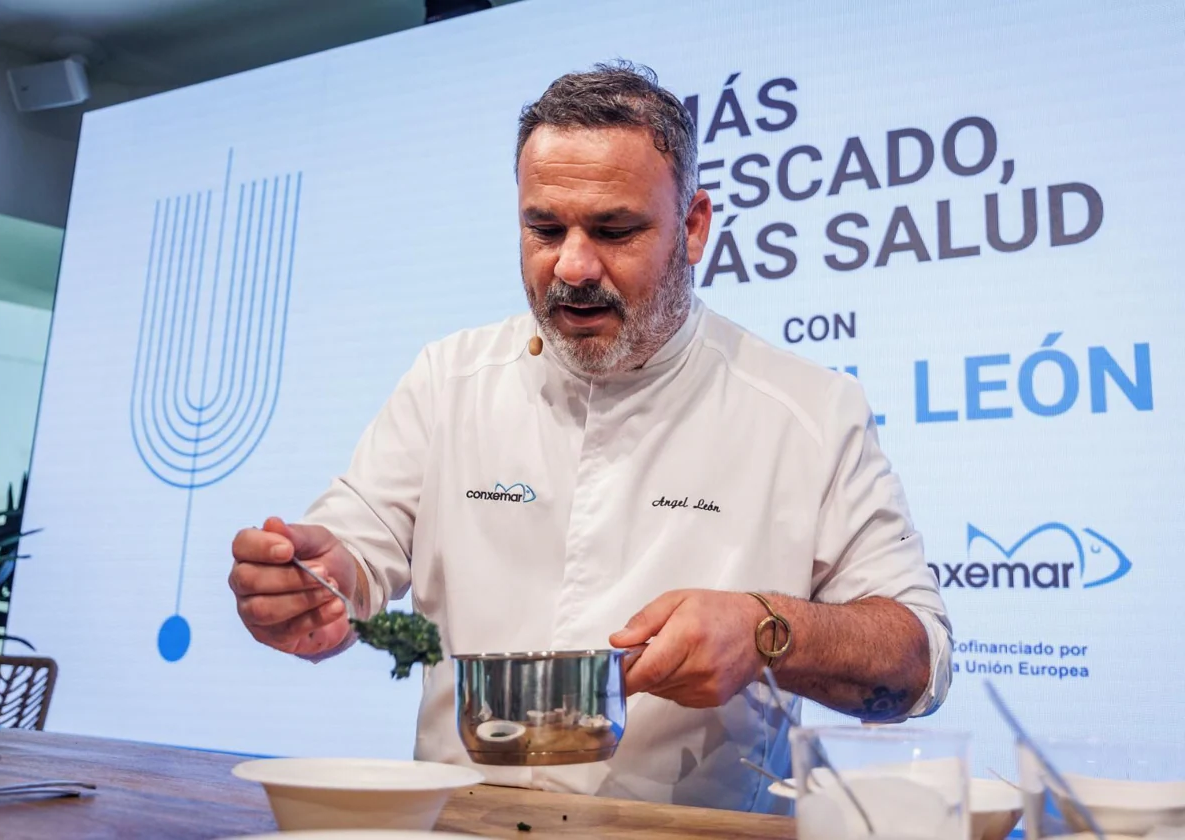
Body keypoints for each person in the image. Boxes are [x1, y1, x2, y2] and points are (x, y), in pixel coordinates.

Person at [228, 61, 951, 812]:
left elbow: (917, 663)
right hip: (458, 826)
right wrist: (311, 582)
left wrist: (768, 631)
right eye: (545, 228)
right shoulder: (450, 380)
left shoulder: (808, 409)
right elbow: (354, 549)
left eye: (613, 230)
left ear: (694, 226)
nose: (571, 266)